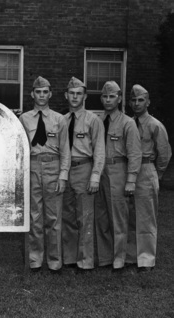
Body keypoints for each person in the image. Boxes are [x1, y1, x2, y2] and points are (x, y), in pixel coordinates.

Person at [19, 76, 70, 274]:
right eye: (38, 92)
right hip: (32, 166)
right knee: (34, 215)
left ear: (50, 94)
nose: (41, 96)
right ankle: (35, 259)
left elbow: (66, 149)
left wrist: (63, 175)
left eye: (45, 92)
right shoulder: (24, 118)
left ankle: (55, 260)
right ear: (32, 94)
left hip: (53, 167)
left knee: (54, 217)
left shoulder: (60, 119)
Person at [95, 81, 142, 272]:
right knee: (102, 216)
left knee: (119, 217)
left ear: (119, 98)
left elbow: (135, 153)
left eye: (112, 96)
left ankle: (120, 259)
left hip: (118, 170)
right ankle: (105, 257)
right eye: (105, 96)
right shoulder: (97, 120)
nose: (108, 100)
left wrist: (131, 179)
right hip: (99, 171)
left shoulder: (127, 123)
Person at [62, 77, 105, 272]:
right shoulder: (62, 120)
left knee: (85, 216)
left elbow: (100, 150)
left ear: (85, 96)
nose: (75, 97)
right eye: (72, 93)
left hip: (84, 168)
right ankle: (70, 258)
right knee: (68, 215)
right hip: (66, 170)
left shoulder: (93, 120)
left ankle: (85, 261)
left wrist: (95, 175)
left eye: (79, 94)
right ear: (66, 95)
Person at [127, 85, 171, 272]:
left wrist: (156, 174)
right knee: (129, 214)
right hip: (128, 169)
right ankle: (130, 256)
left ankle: (145, 259)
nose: (137, 104)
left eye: (141, 100)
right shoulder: (128, 123)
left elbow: (164, 154)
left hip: (146, 169)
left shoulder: (155, 125)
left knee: (146, 216)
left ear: (148, 102)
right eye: (134, 100)